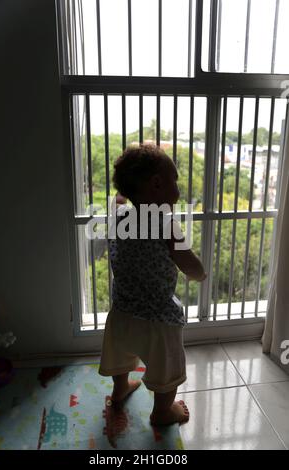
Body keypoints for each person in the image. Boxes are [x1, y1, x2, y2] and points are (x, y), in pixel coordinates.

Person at [99, 144, 207, 426]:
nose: (178, 188)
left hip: (122, 311)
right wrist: (200, 274)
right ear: (157, 184)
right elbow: (188, 264)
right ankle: (162, 412)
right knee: (166, 369)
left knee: (121, 355)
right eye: (175, 180)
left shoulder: (120, 219)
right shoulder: (166, 224)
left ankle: (120, 388)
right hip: (158, 319)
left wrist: (123, 192)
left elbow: (118, 202)